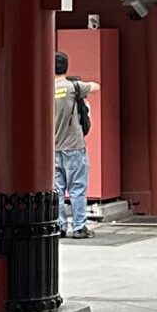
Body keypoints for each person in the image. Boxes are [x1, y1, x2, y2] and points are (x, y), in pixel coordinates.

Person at [52, 49, 96, 239]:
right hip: (74, 146)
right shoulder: (74, 87)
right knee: (77, 188)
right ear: (66, 66)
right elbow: (96, 86)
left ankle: (60, 226)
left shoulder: (44, 88)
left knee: (57, 190)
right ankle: (79, 227)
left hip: (53, 148)